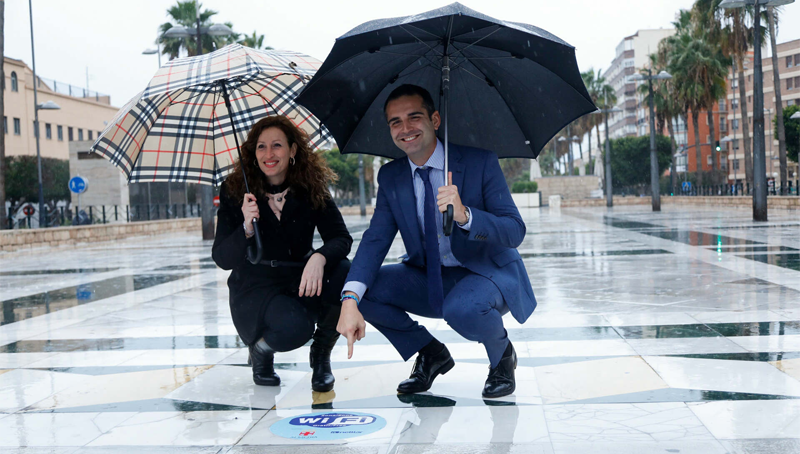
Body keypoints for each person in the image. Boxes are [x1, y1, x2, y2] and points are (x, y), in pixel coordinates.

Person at [336, 84, 536, 399]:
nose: (405, 129)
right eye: (395, 122)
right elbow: (375, 240)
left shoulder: (479, 162)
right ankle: (429, 352)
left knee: (462, 309)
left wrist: (466, 215)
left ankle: (502, 355)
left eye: (414, 117)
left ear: (435, 120)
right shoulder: (391, 177)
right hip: (430, 275)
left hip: (486, 273)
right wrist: (350, 300)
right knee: (362, 290)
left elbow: (515, 231)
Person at [212, 116, 352, 392]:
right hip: (255, 287)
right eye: (261, 147)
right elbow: (222, 259)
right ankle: (262, 351)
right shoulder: (234, 190)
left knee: (345, 272)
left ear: (293, 149)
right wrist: (245, 228)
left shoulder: (310, 187)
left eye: (277, 145)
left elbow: (341, 238)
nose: (269, 154)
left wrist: (319, 257)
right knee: (295, 330)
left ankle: (321, 356)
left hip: (299, 278)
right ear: (252, 153)